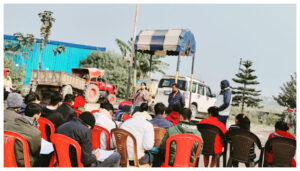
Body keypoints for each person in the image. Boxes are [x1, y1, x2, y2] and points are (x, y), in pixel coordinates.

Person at [56, 112, 121, 167]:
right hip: (80, 165)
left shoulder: (62, 126)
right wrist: (95, 156)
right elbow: (86, 160)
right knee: (116, 156)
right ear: (88, 126)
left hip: (62, 162)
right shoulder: (85, 131)